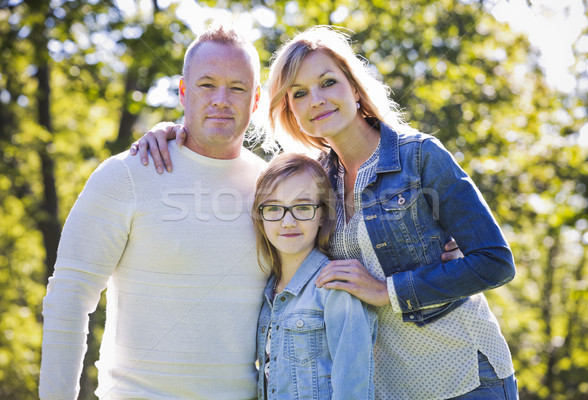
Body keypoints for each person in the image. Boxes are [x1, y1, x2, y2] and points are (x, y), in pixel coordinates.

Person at [132, 26, 519, 399]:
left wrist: (387, 291)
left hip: (464, 378)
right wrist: (174, 132)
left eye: (328, 82)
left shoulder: (418, 156)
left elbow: (495, 262)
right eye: (299, 93)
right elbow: (261, 194)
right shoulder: (317, 179)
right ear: (290, 109)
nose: (316, 99)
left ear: (354, 86)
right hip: (382, 386)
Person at [39, 25, 267, 399]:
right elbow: (69, 296)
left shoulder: (271, 188)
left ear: (255, 99)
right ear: (183, 91)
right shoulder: (127, 174)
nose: (221, 99)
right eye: (206, 84)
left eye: (237, 88)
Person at [252, 152, 377, 399]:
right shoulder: (266, 291)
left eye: (302, 207)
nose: (288, 222)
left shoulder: (335, 286)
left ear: (322, 215)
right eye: (274, 208)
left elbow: (354, 387)